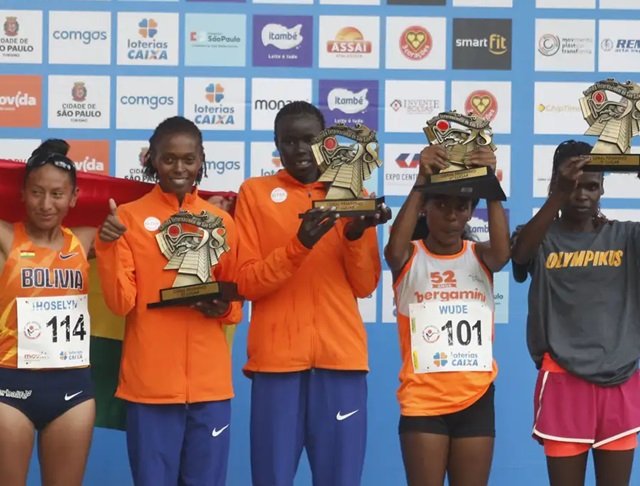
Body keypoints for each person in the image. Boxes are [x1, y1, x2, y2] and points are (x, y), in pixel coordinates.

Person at [234, 100, 391, 486]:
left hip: (341, 362)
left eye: (309, 139)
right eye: (289, 141)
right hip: (276, 365)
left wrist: (355, 234)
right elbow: (247, 283)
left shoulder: (352, 191)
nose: (300, 149)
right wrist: (299, 245)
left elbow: (365, 285)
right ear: (276, 144)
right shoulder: (254, 193)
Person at [95, 116, 242, 486]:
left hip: (210, 387)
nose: (180, 168)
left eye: (188, 159)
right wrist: (107, 246)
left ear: (201, 160)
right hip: (150, 386)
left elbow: (236, 300)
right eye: (169, 159)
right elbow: (120, 303)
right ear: (152, 160)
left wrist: (223, 307)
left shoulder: (221, 221)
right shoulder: (127, 218)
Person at [511, 140, 640, 486]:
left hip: (619, 379)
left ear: (602, 190)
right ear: (556, 184)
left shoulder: (627, 236)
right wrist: (557, 195)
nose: (581, 195)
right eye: (572, 185)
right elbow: (520, 256)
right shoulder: (539, 237)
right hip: (563, 379)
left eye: (591, 186)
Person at [385, 144, 510, 486]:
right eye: (441, 204)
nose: (452, 215)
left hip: (476, 398)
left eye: (461, 206)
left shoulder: (481, 256)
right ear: (425, 208)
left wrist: (490, 181)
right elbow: (392, 250)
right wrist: (421, 180)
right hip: (423, 400)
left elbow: (503, 254)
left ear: (470, 212)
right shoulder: (408, 257)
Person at [0, 139, 96, 486]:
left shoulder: (86, 240)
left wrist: (207, 208)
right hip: (11, 386)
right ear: (22, 194)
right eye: (36, 192)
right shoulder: (6, 238)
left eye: (57, 194)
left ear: (74, 197)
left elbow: (150, 229)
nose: (45, 204)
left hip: (72, 391)